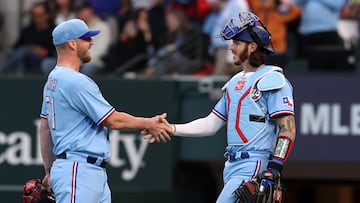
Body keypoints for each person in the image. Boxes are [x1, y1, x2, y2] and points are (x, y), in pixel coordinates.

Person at [145, 12, 296, 202]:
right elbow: (211, 124)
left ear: (252, 47)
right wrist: (172, 128)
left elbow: (288, 128)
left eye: (237, 43)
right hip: (232, 165)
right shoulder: (233, 82)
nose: (231, 47)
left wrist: (275, 167)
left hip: (255, 163)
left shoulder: (273, 79)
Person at [39, 19, 173, 203]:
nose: (91, 42)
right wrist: (149, 123)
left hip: (86, 171)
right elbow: (113, 120)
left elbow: (44, 128)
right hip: (79, 170)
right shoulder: (76, 81)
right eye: (86, 38)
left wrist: (49, 170)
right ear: (72, 43)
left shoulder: (52, 80)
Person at [1, 2, 55, 75]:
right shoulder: (27, 31)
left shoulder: (53, 31)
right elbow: (16, 47)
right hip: (27, 58)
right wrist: (30, 48)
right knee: (22, 54)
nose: (37, 18)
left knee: (24, 52)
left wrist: (43, 51)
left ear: (47, 15)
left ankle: (2, 73)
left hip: (45, 59)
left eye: (40, 15)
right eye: (34, 15)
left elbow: (57, 50)